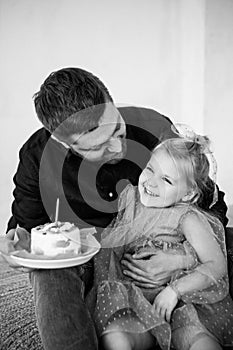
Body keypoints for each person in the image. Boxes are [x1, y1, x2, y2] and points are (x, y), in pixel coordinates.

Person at [0, 67, 229, 350]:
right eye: (99, 146)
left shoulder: (153, 127)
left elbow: (209, 203)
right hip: (90, 258)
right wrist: (17, 245)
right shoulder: (37, 156)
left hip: (166, 246)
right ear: (62, 142)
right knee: (49, 271)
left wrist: (182, 258)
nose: (118, 146)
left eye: (117, 129)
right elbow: (25, 229)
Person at [90, 134, 233, 350]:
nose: (151, 182)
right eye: (150, 169)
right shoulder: (130, 200)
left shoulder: (187, 217)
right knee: (115, 334)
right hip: (136, 297)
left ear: (188, 194)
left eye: (166, 180)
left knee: (195, 337)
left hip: (182, 301)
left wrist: (174, 291)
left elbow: (217, 264)